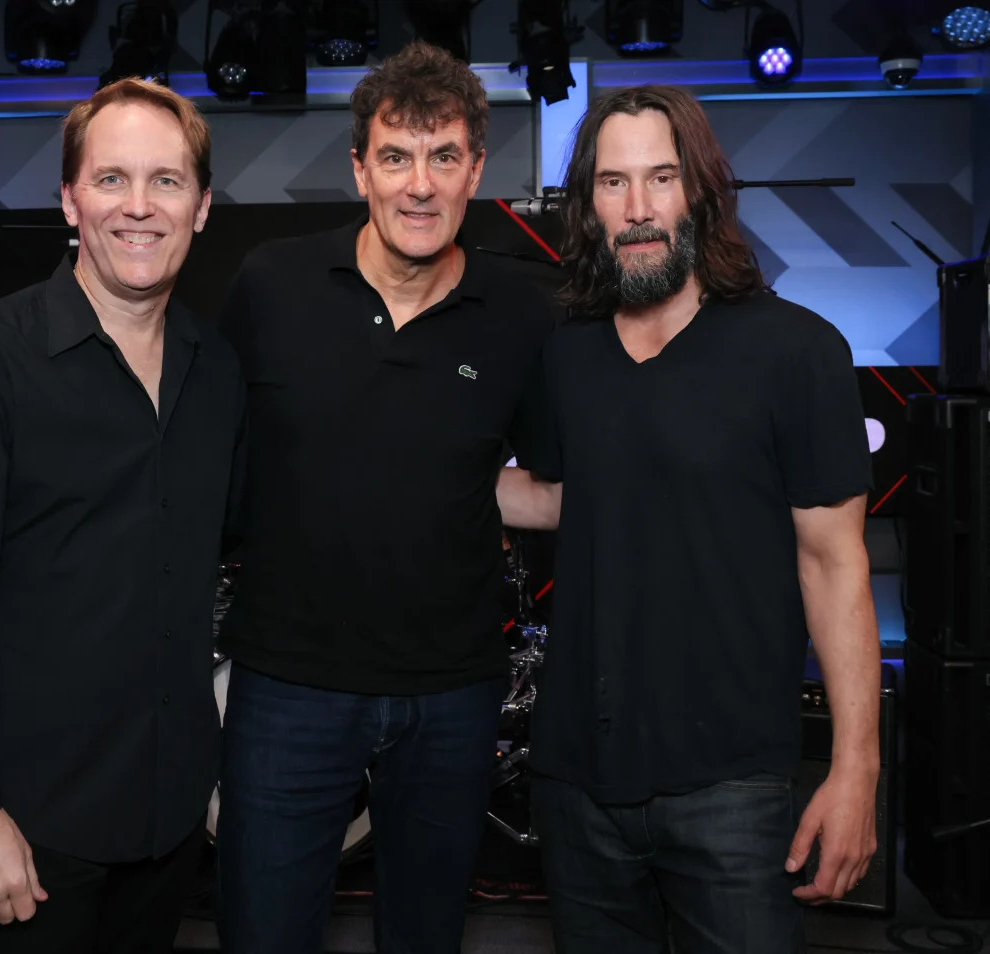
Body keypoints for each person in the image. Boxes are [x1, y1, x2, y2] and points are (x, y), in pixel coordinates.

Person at [497, 84, 881, 953]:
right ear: (588, 205)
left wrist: (857, 768)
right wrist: (413, 473)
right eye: (612, 183)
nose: (638, 209)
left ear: (700, 191)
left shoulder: (798, 351)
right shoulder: (567, 355)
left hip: (733, 790)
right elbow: (564, 497)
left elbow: (834, 563)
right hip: (576, 784)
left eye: (660, 179)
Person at [0, 77, 245, 953]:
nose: (139, 206)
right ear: (70, 201)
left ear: (200, 208)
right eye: (111, 179)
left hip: (164, 825)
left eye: (167, 181)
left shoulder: (217, 373)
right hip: (25, 836)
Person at [214, 41, 555, 954]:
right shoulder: (272, 285)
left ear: (476, 169)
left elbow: (548, 489)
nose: (420, 185)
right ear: (359, 166)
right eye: (396, 156)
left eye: (444, 157)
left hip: (452, 695)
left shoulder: (525, 313)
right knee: (264, 934)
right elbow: (207, 455)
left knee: (426, 937)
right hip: (287, 688)